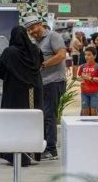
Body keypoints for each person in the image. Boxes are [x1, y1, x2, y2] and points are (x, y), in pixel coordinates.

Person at [0, 25, 44, 166]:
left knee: (13, 121)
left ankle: (14, 155)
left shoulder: (9, 52)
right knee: (32, 122)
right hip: (34, 90)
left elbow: (0, 71)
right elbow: (40, 65)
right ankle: (32, 154)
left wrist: (13, 75)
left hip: (14, 92)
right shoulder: (35, 49)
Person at [25, 16, 66, 160]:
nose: (32, 31)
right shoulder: (35, 42)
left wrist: (43, 64)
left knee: (49, 116)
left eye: (33, 28)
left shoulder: (53, 36)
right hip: (42, 83)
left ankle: (51, 150)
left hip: (54, 82)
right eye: (29, 30)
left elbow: (61, 55)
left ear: (40, 24)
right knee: (42, 115)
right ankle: (43, 147)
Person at [77, 46, 98, 116]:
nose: (86, 57)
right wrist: (81, 79)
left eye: (89, 55)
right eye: (85, 55)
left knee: (93, 111)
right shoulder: (82, 66)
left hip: (94, 93)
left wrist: (90, 78)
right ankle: (85, 126)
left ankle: (97, 126)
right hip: (84, 92)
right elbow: (79, 77)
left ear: (94, 56)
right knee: (85, 112)